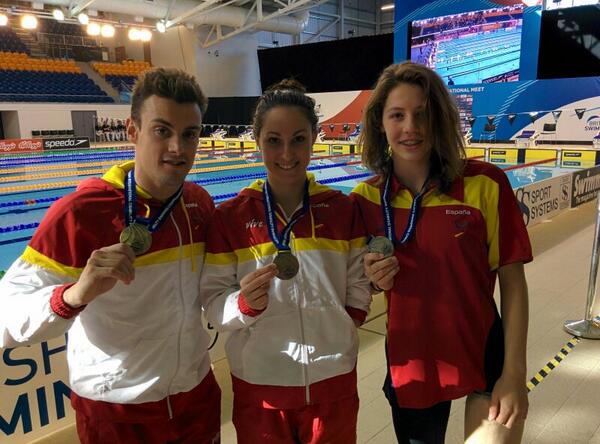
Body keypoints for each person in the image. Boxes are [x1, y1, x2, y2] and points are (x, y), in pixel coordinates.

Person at [0, 68, 221, 444]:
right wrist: (72, 296)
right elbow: (7, 313)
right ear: (132, 131)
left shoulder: (198, 203)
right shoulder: (80, 213)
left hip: (195, 396)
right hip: (118, 412)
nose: (177, 149)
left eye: (189, 134)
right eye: (162, 130)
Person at [351, 62, 531, 444]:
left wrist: (514, 372)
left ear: (440, 120)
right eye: (397, 115)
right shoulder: (365, 200)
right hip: (412, 359)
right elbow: (354, 288)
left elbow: (513, 283)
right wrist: (369, 278)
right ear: (380, 123)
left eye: (422, 113)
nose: (410, 127)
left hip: (486, 352)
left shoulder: (486, 184)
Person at [200, 79, 372, 444]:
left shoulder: (342, 210)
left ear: (314, 138)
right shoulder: (230, 217)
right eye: (274, 141)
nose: (287, 154)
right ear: (257, 141)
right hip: (260, 386)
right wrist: (243, 305)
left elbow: (357, 282)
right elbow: (214, 305)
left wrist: (344, 325)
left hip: (333, 380)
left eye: (298, 139)